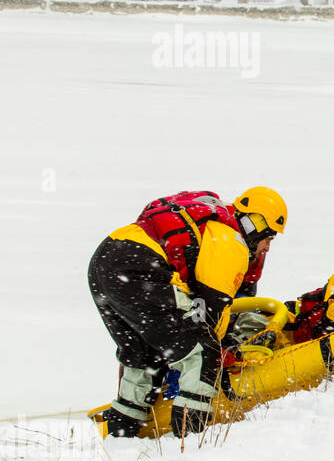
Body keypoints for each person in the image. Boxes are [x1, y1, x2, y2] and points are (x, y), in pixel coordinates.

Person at [89, 187, 287, 437]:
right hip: (142, 270)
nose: (267, 247)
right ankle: (189, 442)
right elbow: (211, 311)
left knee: (145, 357)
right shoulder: (230, 241)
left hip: (105, 262)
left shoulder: (210, 221)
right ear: (253, 225)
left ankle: (121, 435)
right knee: (204, 354)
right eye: (268, 238)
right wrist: (220, 350)